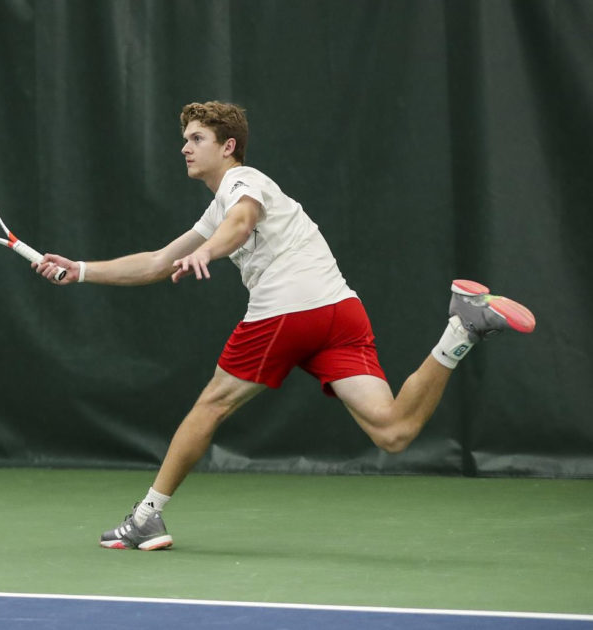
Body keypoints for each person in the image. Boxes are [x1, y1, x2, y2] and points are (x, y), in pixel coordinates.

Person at [33, 101, 536, 551]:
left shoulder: (242, 182)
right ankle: (461, 330)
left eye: (196, 139)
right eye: (184, 138)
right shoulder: (219, 205)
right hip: (340, 311)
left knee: (211, 404)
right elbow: (158, 261)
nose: (184, 147)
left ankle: (147, 517)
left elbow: (242, 223)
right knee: (394, 430)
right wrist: (79, 270)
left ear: (228, 147)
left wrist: (209, 251)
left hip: (288, 309)